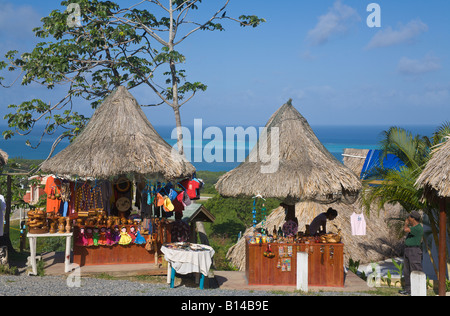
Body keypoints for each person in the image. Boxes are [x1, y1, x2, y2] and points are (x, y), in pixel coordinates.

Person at [399, 210, 424, 296]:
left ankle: (418, 289)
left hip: (414, 251)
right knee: (407, 271)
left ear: (413, 218)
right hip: (408, 250)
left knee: (415, 270)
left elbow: (405, 229)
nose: (408, 218)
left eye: (409, 217)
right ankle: (408, 289)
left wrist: (406, 223)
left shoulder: (418, 228)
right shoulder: (413, 228)